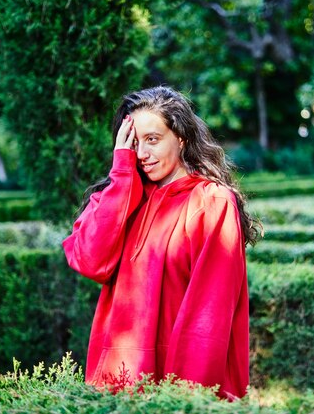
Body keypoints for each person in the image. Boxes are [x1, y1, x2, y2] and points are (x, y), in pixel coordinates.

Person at [62, 86, 259, 400]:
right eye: (134, 143)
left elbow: (208, 315)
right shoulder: (123, 195)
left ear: (180, 138)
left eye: (153, 140)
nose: (142, 154)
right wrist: (122, 173)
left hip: (176, 388)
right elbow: (89, 260)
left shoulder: (211, 201)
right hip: (115, 389)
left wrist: (185, 399)